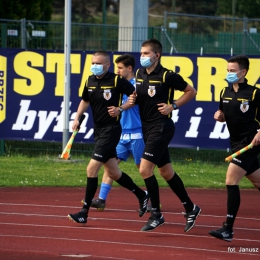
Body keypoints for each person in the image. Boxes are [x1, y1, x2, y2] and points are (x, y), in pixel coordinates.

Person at [68, 51, 149, 225]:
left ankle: (84, 212)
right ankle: (142, 195)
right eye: (92, 62)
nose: (94, 65)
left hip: (111, 130)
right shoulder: (89, 80)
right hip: (98, 131)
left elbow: (134, 96)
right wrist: (76, 118)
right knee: (113, 171)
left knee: (91, 169)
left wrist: (121, 108)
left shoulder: (116, 80)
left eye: (98, 63)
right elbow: (85, 100)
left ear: (107, 65)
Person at [134, 38, 201, 232]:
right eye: (141, 53)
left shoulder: (167, 76)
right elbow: (141, 95)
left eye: (146, 53)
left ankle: (156, 215)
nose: (142, 57)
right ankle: (191, 207)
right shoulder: (139, 73)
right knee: (166, 172)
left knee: (145, 170)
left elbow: (191, 91)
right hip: (146, 127)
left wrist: (173, 106)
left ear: (157, 55)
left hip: (161, 126)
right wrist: (134, 98)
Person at [209, 55, 260, 242]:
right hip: (236, 143)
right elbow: (224, 114)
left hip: (250, 144)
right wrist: (220, 117)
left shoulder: (254, 93)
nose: (229, 74)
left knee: (231, 181)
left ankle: (228, 229)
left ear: (243, 72)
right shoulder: (225, 92)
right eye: (228, 70)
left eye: (232, 71)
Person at [89, 53, 146, 211]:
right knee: (110, 166)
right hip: (120, 134)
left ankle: (152, 199)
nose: (118, 71)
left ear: (129, 68)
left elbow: (136, 102)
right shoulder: (117, 84)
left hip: (136, 133)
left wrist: (120, 109)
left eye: (120, 68)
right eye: (116, 68)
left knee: (143, 168)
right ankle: (101, 199)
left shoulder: (137, 86)